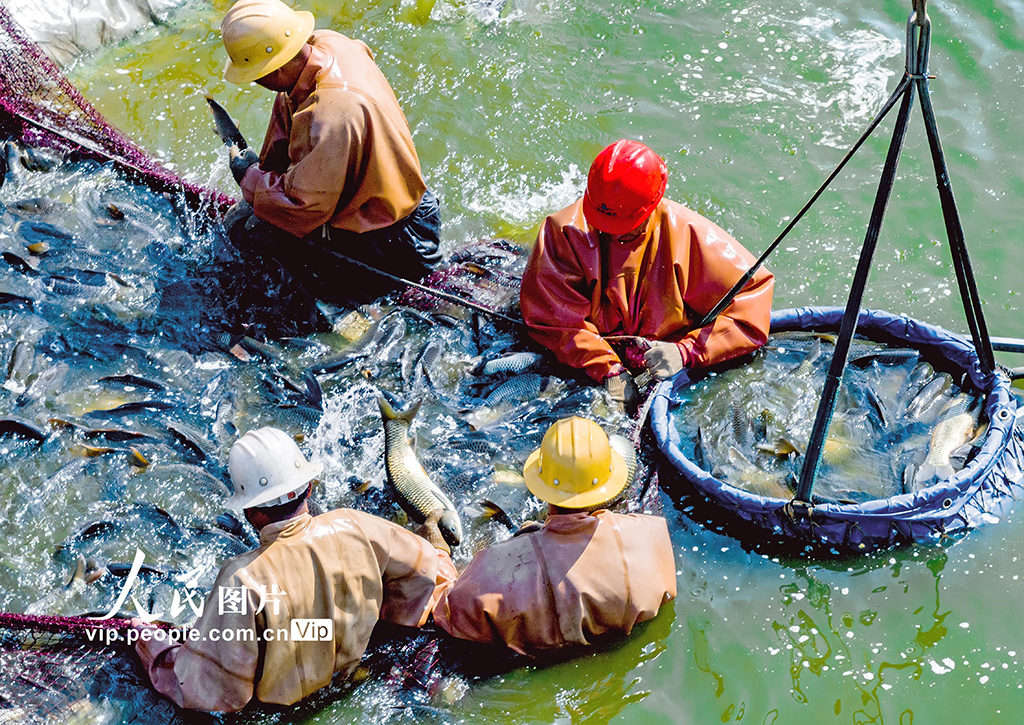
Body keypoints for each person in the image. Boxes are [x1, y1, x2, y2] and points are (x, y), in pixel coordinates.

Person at [130, 427, 457, 712]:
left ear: (251, 512)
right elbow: (429, 582)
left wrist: (149, 642)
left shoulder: (242, 579)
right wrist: (438, 548)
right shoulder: (360, 527)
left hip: (281, 711)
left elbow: (213, 691)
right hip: (357, 681)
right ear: (310, 488)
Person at [217, 0, 442, 321]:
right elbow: (292, 107)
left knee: (259, 252)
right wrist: (263, 170)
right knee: (250, 220)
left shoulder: (329, 115)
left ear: (276, 69)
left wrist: (249, 178)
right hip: (410, 207)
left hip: (392, 242)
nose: (255, 82)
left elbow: (302, 207)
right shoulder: (328, 44)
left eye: (256, 75)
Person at [519, 140, 774, 412]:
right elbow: (553, 320)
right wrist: (609, 369)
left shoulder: (692, 237)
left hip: (667, 361)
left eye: (623, 227)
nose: (612, 234)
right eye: (602, 223)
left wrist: (686, 352)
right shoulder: (563, 231)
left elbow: (752, 303)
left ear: (654, 204)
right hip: (594, 359)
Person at [431, 416, 676, 657]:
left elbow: (446, 611)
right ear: (610, 483)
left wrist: (438, 553)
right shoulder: (650, 535)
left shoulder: (489, 572)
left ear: (541, 484)